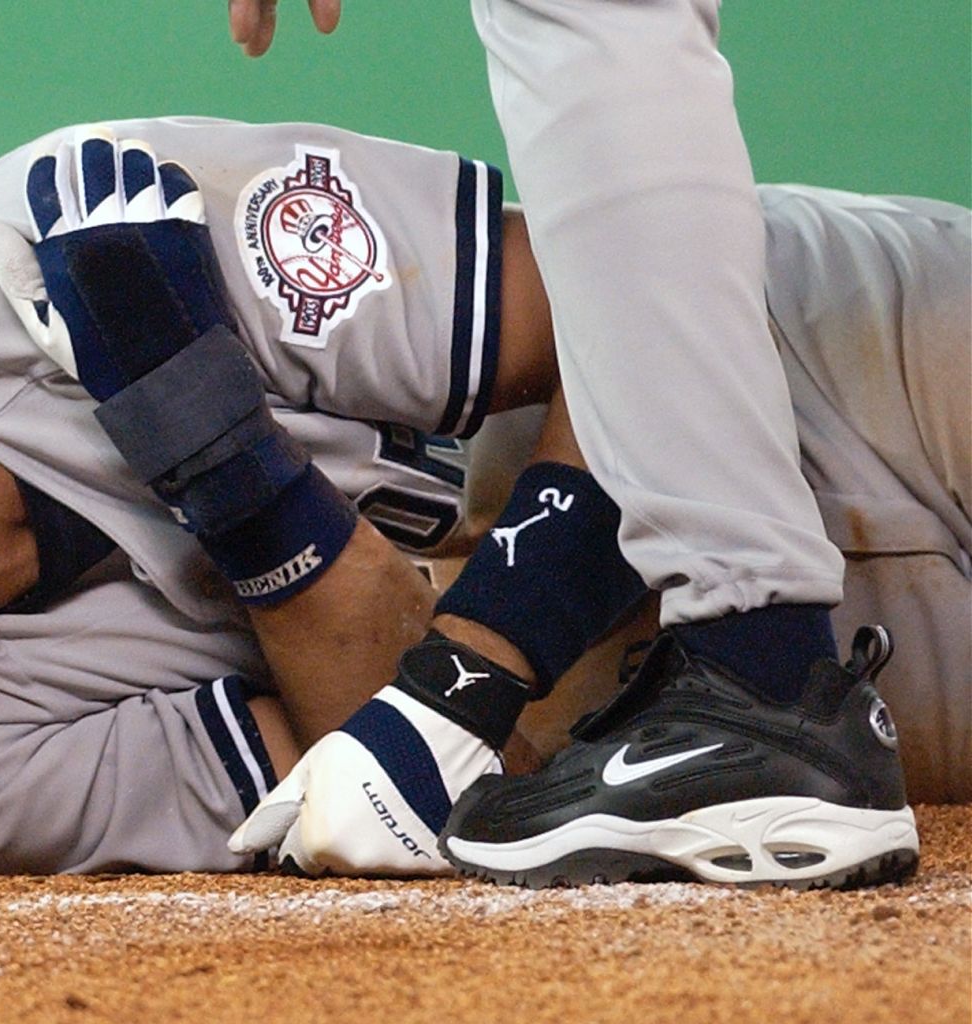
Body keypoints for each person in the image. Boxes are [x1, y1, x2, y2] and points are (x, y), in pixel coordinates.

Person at [0, 119, 966, 882]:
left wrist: (420, 661)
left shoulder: (40, 240)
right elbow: (423, 771)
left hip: (849, 352)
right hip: (785, 672)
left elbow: (629, 303)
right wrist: (227, 470)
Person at [223, 0, 955, 885]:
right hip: (804, 669)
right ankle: (754, 673)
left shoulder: (88, 238)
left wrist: (459, 680)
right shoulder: (6, 734)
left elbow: (593, 310)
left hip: (875, 371)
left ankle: (755, 669)